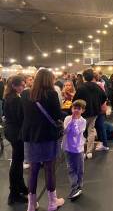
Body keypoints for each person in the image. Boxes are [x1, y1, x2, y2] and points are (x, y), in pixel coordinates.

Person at [22, 69, 64, 211]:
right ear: (49, 79)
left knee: (33, 170)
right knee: (49, 168)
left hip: (31, 136)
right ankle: (52, 203)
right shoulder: (51, 94)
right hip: (47, 136)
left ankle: (31, 204)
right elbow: (57, 114)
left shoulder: (26, 94)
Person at [4, 75, 28, 205]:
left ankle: (21, 187)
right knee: (17, 163)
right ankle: (13, 193)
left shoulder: (10, 97)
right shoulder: (15, 100)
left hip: (11, 131)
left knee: (18, 162)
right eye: (22, 85)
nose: (23, 87)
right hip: (16, 133)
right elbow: (20, 118)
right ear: (14, 86)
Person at [73, 69, 107, 159]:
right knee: (91, 131)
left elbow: (75, 101)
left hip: (83, 113)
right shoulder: (97, 87)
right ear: (93, 77)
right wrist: (98, 104)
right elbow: (104, 97)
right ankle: (89, 152)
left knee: (81, 132)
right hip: (95, 112)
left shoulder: (81, 87)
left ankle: (81, 151)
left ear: (84, 77)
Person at [61, 100, 87, 200]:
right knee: (71, 169)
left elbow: (76, 133)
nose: (76, 110)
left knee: (80, 169)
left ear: (83, 110)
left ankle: (79, 186)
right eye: (74, 108)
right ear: (71, 108)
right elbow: (65, 131)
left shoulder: (83, 121)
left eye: (78, 109)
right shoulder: (67, 118)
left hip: (78, 149)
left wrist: (75, 121)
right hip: (68, 148)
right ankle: (74, 188)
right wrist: (72, 120)